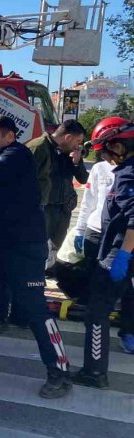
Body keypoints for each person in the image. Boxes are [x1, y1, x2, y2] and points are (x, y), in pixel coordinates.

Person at [0, 116, 72, 398]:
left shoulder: (15, 157)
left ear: (10, 137)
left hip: (24, 248)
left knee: (34, 309)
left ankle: (60, 371)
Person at [75, 117, 134, 387]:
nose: (104, 158)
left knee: (97, 313)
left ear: (119, 147)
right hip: (117, 252)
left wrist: (121, 256)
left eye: (105, 150)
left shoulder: (126, 174)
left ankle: (94, 372)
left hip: (117, 256)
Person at [26, 120, 88, 272]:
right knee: (37, 243)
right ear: (67, 137)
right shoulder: (39, 147)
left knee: (57, 244)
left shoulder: (69, 153)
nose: (78, 146)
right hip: (44, 206)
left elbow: (83, 179)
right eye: (77, 141)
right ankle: (32, 274)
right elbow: (24, 178)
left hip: (64, 205)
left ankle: (50, 271)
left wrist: (77, 161)